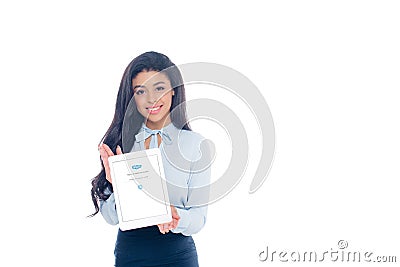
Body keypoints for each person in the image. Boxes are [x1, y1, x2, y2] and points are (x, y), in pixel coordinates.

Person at [90, 51, 211, 267]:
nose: (152, 99)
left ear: (173, 90)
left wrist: (176, 217)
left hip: (177, 256)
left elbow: (198, 219)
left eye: (159, 88)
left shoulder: (196, 145)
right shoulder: (120, 144)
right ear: (132, 97)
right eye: (141, 91)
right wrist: (114, 181)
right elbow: (111, 218)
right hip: (131, 254)